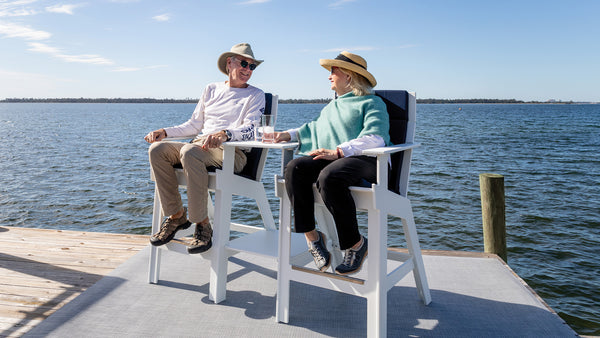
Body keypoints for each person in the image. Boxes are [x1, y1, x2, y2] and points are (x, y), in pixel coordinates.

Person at [272, 51, 390, 275]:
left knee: (329, 176)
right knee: (294, 168)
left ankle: (356, 244)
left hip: (368, 161)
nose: (329, 76)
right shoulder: (332, 106)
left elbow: (376, 137)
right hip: (336, 159)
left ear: (349, 76)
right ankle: (313, 238)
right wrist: (286, 134)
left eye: (333, 71)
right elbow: (314, 128)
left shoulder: (373, 103)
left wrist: (339, 151)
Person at [144, 43, 265, 254]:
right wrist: (165, 132)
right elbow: (193, 125)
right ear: (229, 63)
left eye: (252, 66)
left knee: (189, 152)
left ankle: (202, 224)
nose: (248, 69)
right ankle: (176, 217)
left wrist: (225, 134)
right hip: (199, 146)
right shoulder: (211, 89)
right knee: (157, 150)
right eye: (244, 63)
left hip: (231, 153)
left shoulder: (255, 95)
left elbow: (252, 130)